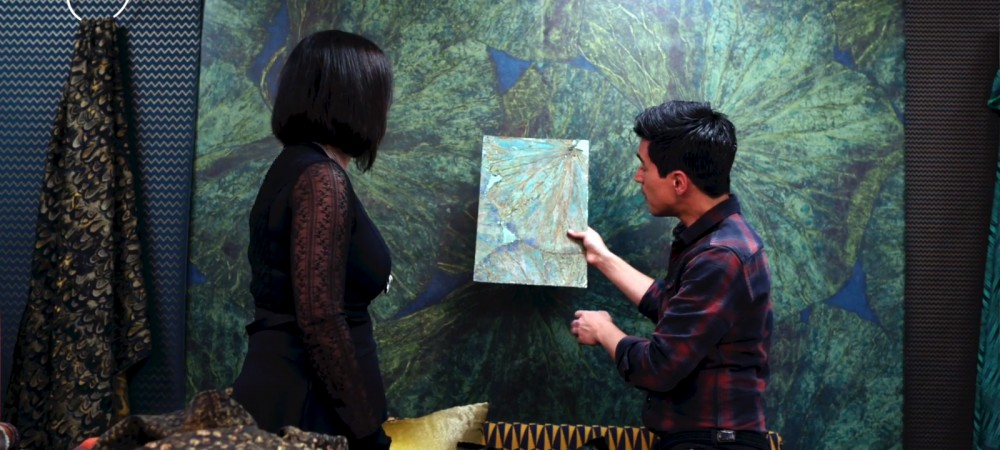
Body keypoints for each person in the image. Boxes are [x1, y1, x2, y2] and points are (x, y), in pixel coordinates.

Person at [567, 101, 774, 450]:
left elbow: (658, 367)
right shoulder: (718, 242)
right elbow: (673, 306)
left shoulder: (721, 256)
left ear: (678, 182)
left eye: (644, 167)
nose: (639, 177)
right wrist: (601, 257)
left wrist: (603, 330)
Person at [230, 30, 394, 450]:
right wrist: (367, 433)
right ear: (355, 99)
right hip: (311, 412)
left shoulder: (298, 168)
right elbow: (320, 320)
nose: (385, 108)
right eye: (380, 94)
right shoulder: (321, 179)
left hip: (300, 402)